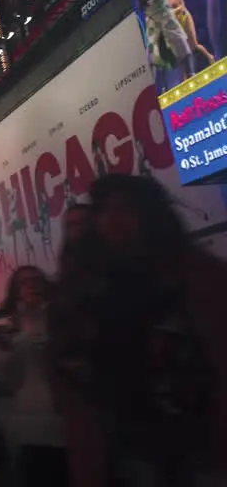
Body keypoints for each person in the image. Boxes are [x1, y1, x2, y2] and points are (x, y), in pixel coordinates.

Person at [52, 175, 227, 486]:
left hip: (197, 444)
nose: (113, 220)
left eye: (125, 209)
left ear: (149, 215)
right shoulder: (81, 292)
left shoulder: (198, 277)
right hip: (123, 448)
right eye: (104, 210)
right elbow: (74, 387)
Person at [0, 266, 66, 487]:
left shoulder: (61, 322)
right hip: (25, 422)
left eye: (36, 280)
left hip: (62, 420)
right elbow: (1, 378)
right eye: (25, 282)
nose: (32, 285)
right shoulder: (4, 329)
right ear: (15, 290)